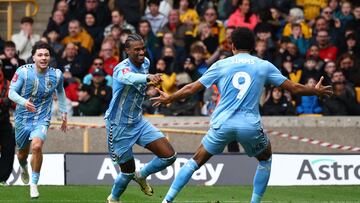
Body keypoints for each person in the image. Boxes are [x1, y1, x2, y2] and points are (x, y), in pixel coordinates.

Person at [151, 28, 333, 203]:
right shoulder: (263, 66)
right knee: (265, 159)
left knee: (195, 160)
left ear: (232, 46)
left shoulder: (221, 64)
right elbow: (294, 88)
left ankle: (168, 200)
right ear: (253, 47)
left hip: (222, 124)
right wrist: (314, 91)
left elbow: (192, 88)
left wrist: (170, 98)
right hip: (249, 126)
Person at [105, 33, 176, 203]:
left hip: (138, 122)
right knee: (127, 172)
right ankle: (113, 198)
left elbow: (140, 86)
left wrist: (153, 87)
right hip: (119, 126)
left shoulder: (146, 63)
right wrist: (148, 77)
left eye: (143, 48)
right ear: (127, 51)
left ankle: (142, 175)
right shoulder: (121, 69)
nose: (141, 52)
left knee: (169, 156)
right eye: (136, 49)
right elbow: (129, 78)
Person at [8, 42, 67, 198]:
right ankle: (23, 167)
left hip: (42, 117)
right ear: (33, 57)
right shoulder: (23, 72)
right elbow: (11, 92)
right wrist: (23, 102)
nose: (43, 58)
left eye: (46, 55)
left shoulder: (57, 75)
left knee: (37, 146)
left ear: (50, 57)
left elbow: (60, 92)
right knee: (21, 154)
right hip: (22, 119)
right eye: (40, 55)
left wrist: (63, 112)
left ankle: (34, 184)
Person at [0, 61, 15, 185]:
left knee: (9, 148)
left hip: (4, 121)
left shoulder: (8, 84)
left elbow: (16, 103)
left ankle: (2, 178)